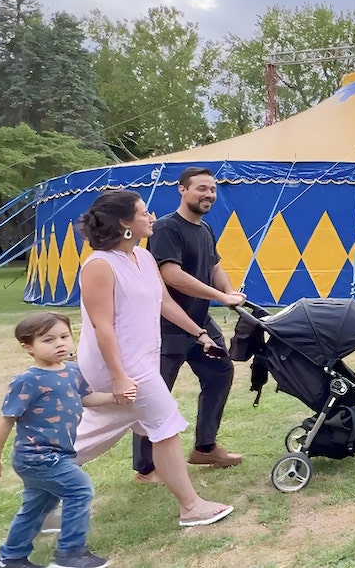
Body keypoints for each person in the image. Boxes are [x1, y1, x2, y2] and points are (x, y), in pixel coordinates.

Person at [73, 189, 234, 527]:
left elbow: (165, 304)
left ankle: (42, 469)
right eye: (143, 212)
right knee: (166, 424)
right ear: (124, 223)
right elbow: (102, 326)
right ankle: (190, 506)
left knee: (93, 435)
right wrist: (118, 376)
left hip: (142, 360)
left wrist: (200, 333)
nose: (151, 217)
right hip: (117, 364)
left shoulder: (144, 258)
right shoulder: (99, 265)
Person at [0, 313, 127, 568]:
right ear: (28, 347)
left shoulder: (72, 370)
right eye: (48, 340)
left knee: (36, 508)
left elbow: (86, 399)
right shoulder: (27, 381)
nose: (60, 343)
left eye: (64, 337)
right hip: (38, 458)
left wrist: (116, 396)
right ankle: (70, 555)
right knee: (80, 490)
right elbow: (6, 420)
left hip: (61, 454)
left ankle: (10, 559)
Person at [132, 168, 247, 483]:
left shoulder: (205, 229)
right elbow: (171, 275)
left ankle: (205, 447)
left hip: (199, 322)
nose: (208, 194)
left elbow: (214, 265)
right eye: (201, 188)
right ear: (182, 190)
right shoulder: (168, 228)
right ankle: (146, 468)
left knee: (220, 373)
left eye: (212, 189)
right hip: (165, 327)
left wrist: (230, 293)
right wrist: (220, 297)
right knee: (156, 394)